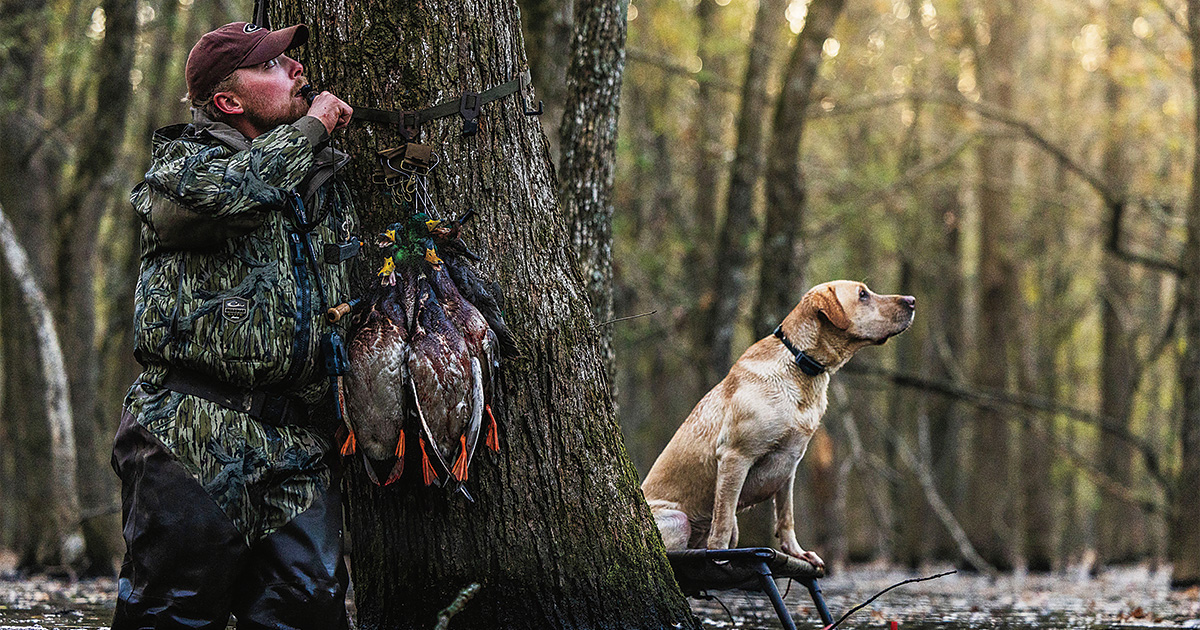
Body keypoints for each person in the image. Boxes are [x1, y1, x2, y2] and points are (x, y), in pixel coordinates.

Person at [111, 21, 357, 629]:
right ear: (228, 101)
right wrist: (312, 128)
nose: (298, 70)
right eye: (275, 66)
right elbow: (233, 195)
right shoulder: (181, 170)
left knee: (307, 612)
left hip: (297, 443)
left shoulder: (313, 174)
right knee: (172, 614)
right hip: (192, 432)